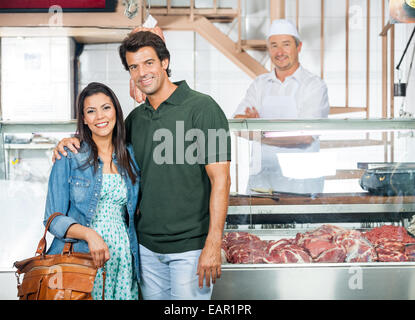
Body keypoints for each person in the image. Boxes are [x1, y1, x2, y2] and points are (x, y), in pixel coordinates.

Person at [53, 30, 231, 300]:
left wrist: (213, 242)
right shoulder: (135, 120)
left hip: (190, 248)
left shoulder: (204, 109)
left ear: (165, 62)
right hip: (144, 250)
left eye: (148, 63)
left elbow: (222, 180)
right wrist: (69, 141)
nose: (142, 72)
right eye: (134, 67)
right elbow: (101, 139)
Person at [44, 82, 140, 300]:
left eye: (106, 107)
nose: (100, 116)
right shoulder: (69, 155)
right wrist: (90, 235)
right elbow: (52, 218)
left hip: (122, 258)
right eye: (91, 111)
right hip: (82, 257)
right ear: (84, 119)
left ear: (116, 110)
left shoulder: (130, 156)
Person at [233, 19, 330, 195]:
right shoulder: (259, 84)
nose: (280, 52)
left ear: (298, 47)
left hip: (302, 184)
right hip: (262, 181)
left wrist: (259, 131)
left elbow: (305, 136)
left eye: (286, 45)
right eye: (274, 46)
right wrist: (276, 133)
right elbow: (238, 125)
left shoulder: (314, 85)